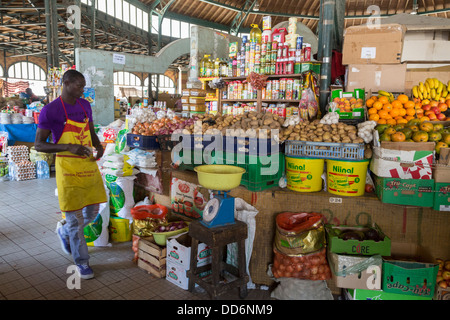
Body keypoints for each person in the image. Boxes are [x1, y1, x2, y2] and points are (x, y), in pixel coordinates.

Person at [34, 69, 107, 280]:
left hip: (88, 167)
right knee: (75, 219)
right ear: (65, 83)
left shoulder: (84, 105)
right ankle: (82, 262)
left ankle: (64, 232)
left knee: (92, 212)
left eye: (83, 86)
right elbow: (39, 144)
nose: (82, 90)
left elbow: (91, 130)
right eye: (79, 86)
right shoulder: (51, 110)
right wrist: (68, 147)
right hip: (67, 171)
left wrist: (98, 145)